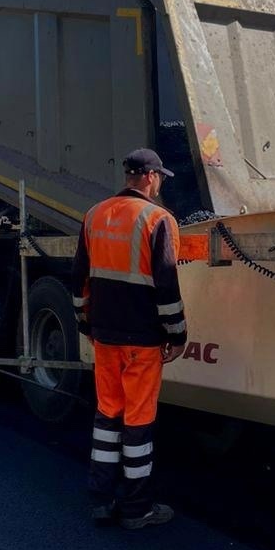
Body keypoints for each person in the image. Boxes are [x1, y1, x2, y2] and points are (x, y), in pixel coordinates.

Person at [71, 148, 186, 529]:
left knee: (107, 414)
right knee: (138, 421)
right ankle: (137, 508)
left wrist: (84, 323)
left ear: (128, 177)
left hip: (104, 335)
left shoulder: (94, 214)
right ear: (151, 178)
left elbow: (79, 278)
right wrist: (177, 333)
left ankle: (101, 501)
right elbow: (166, 285)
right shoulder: (158, 219)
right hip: (141, 339)